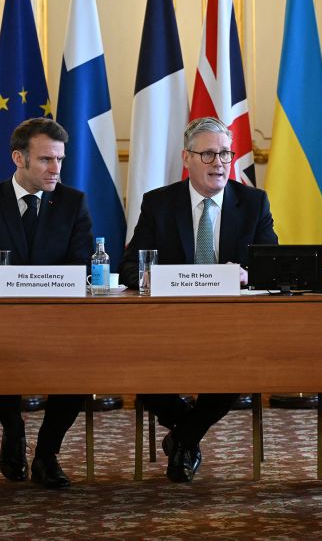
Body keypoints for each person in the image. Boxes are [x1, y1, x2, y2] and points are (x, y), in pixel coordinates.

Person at [120, 116, 277, 483]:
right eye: (208, 155)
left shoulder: (253, 202)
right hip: (167, 324)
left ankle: (184, 438)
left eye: (224, 153)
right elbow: (129, 265)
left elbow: (273, 266)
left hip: (231, 327)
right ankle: (188, 429)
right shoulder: (159, 203)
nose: (219, 163)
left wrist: (249, 275)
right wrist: (144, 276)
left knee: (239, 371)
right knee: (136, 367)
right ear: (186, 158)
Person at [0, 117, 93, 489]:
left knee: (81, 364)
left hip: (58, 319)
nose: (56, 169)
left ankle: (47, 453)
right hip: (0, 320)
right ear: (19, 158)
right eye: (47, 160)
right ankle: (12, 426)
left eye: (60, 160)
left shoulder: (72, 202)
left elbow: (82, 264)